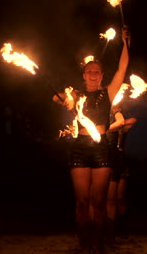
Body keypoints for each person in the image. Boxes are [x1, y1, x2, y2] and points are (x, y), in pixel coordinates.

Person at [52, 26, 130, 254]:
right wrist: (64, 100)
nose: (94, 74)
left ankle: (98, 244)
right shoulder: (75, 94)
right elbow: (55, 98)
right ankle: (84, 243)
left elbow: (122, 68)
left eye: (97, 71)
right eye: (90, 71)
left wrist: (125, 43)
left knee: (98, 202)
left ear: (102, 76)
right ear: (84, 75)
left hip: (101, 149)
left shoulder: (108, 93)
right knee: (82, 202)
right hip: (79, 149)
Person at [106, 104, 137, 244]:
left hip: (120, 161)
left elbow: (132, 121)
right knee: (109, 197)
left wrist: (118, 114)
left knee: (119, 197)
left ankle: (121, 227)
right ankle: (108, 229)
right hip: (106, 160)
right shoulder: (105, 126)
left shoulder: (122, 124)